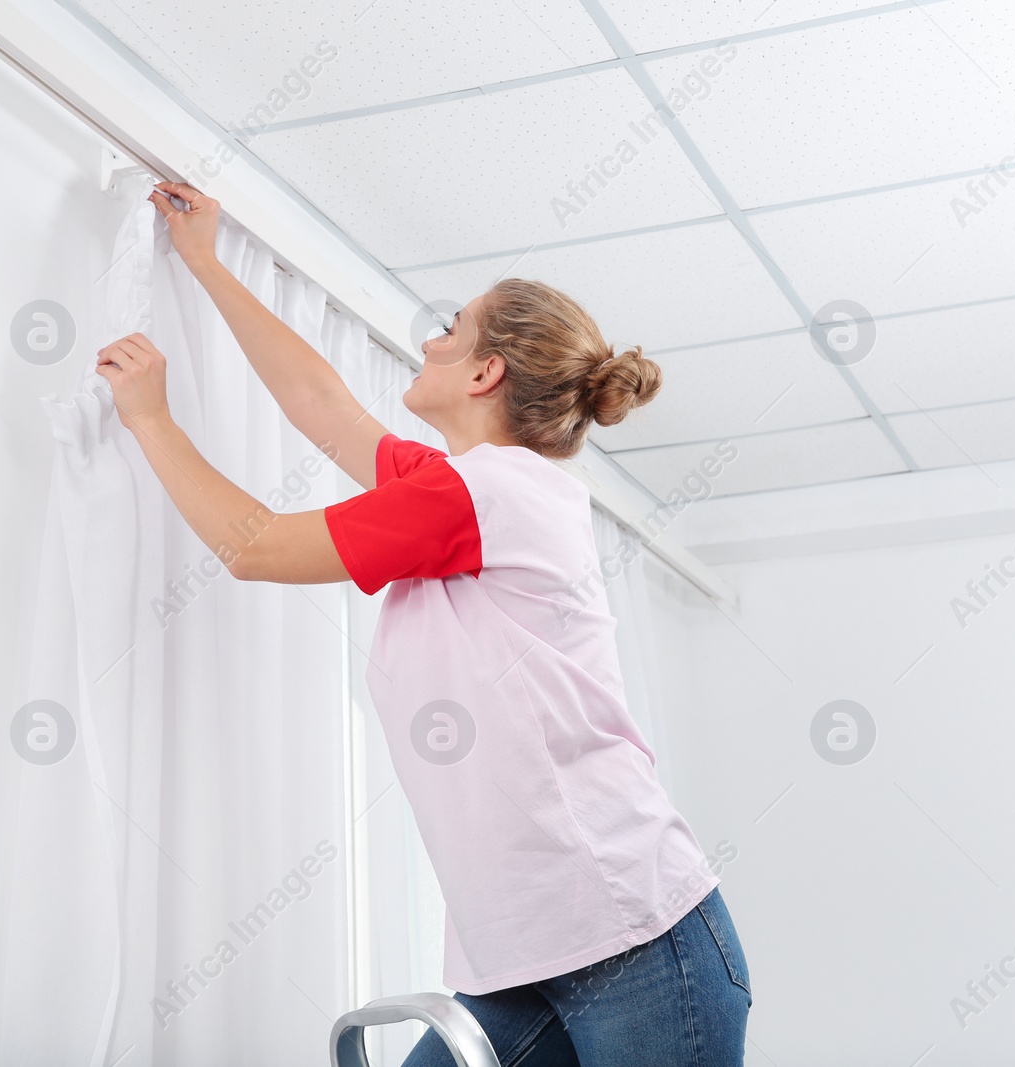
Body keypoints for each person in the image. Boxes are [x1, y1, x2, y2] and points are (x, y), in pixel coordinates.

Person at [94, 181, 752, 1066]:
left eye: (450, 328)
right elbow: (325, 408)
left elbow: (255, 547)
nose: (429, 339)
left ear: (486, 373)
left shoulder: (486, 493)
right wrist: (207, 262)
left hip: (636, 938)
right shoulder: (472, 493)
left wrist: (149, 418)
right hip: (520, 954)